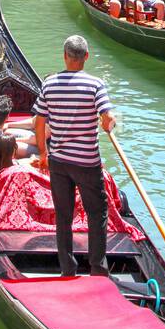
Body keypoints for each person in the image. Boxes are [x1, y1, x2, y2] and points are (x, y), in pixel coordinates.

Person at [33, 35, 116, 278]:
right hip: (87, 162)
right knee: (97, 213)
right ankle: (98, 269)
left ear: (65, 56)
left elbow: (39, 122)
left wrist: (42, 153)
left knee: (64, 215)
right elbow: (107, 116)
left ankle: (67, 269)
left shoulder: (49, 85)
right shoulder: (96, 85)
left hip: (58, 161)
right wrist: (108, 122)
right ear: (86, 57)